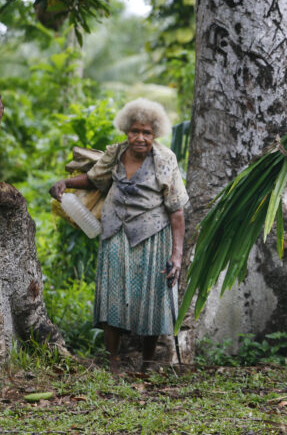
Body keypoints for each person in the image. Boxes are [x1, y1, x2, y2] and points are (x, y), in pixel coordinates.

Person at [50, 98, 188, 374]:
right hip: (115, 233)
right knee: (113, 297)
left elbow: (176, 212)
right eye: (134, 131)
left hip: (152, 237)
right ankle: (114, 361)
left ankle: (147, 364)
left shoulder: (165, 160)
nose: (139, 138)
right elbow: (94, 179)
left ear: (154, 134)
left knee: (152, 300)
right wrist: (66, 183)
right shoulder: (115, 153)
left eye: (146, 133)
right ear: (126, 130)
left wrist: (176, 255)